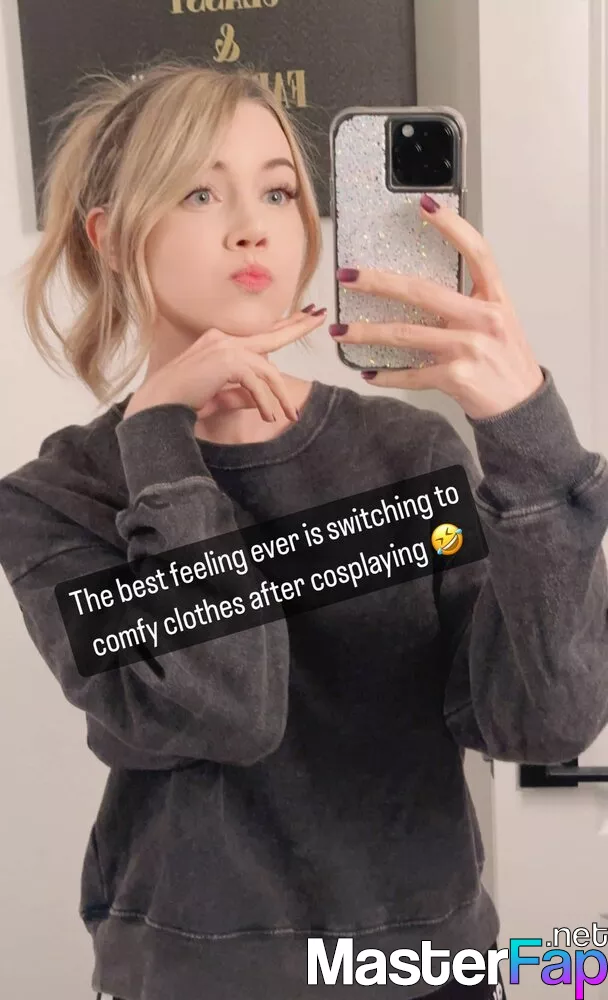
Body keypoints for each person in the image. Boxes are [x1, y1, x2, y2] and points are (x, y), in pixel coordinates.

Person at [0, 58, 607, 1000]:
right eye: (200, 191)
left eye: (279, 192)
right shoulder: (56, 498)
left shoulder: (406, 452)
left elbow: (544, 721)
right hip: (195, 976)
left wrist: (528, 439)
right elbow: (226, 711)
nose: (252, 225)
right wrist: (157, 440)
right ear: (110, 236)